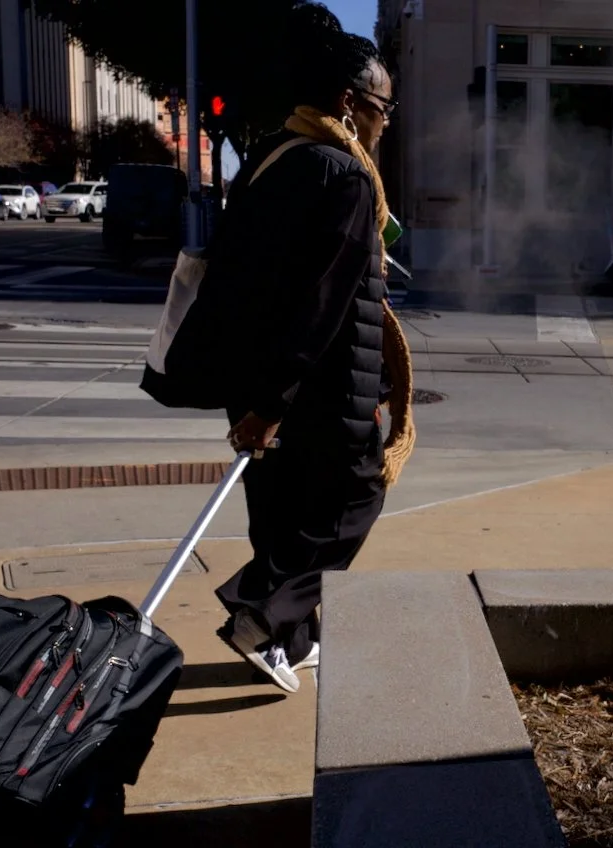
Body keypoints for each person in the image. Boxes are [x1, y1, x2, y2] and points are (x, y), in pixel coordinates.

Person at [200, 4, 416, 693]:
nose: (388, 120)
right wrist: (277, 402)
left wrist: (259, 397)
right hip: (321, 386)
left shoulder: (268, 155)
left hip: (255, 371)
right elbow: (322, 303)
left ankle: (291, 639)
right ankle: (262, 615)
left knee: (281, 508)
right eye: (384, 106)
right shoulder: (346, 178)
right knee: (357, 496)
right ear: (351, 105)